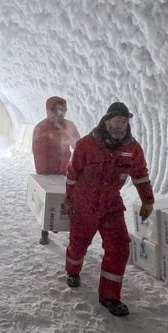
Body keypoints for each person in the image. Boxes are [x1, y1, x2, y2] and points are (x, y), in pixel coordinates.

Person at [63, 102, 154, 317]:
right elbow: (72, 173)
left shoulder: (133, 149)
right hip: (84, 203)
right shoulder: (86, 144)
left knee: (120, 246)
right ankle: (72, 270)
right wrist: (68, 199)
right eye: (116, 121)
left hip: (111, 204)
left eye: (124, 121)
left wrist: (147, 200)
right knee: (79, 243)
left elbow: (140, 175)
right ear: (106, 121)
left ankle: (109, 296)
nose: (120, 126)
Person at [32, 96, 81, 245]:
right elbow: (38, 152)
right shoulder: (41, 128)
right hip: (46, 172)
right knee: (48, 201)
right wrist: (44, 172)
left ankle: (63, 228)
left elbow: (78, 146)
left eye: (62, 110)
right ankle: (45, 231)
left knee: (67, 200)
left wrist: (77, 164)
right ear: (49, 111)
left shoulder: (69, 126)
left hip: (64, 170)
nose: (60, 114)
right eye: (55, 110)